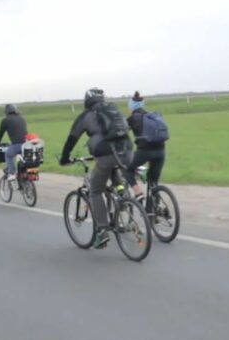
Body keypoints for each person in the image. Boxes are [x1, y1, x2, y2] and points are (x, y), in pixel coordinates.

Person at [59, 88, 133, 249]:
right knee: (114, 170)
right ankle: (122, 196)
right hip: (127, 151)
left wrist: (64, 158)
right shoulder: (113, 109)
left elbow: (72, 139)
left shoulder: (86, 115)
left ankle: (102, 230)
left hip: (106, 155)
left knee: (95, 191)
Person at [125, 91, 167, 203]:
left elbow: (120, 133)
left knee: (127, 169)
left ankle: (138, 194)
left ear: (131, 106)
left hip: (144, 152)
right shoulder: (151, 116)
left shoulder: (132, 118)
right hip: (161, 152)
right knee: (153, 181)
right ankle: (155, 208)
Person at [0, 104, 28, 183]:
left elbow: (0, 136)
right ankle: (22, 176)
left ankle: (12, 173)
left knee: (8, 154)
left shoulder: (5, 120)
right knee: (19, 156)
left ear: (6, 111)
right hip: (27, 145)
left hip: (17, 145)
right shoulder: (22, 118)